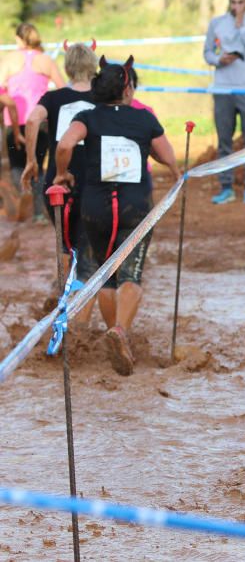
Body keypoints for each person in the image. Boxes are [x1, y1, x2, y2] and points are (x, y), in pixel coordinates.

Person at [54, 57, 181, 376]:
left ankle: (115, 334)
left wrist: (61, 174)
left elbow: (66, 143)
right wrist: (179, 175)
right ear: (127, 88)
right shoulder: (144, 119)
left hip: (95, 209)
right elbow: (167, 157)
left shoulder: (87, 117)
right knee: (131, 275)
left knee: (106, 274)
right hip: (133, 209)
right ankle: (120, 332)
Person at [20, 41, 100, 299]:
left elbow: (32, 119)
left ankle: (62, 301)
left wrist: (32, 160)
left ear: (67, 68)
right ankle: (80, 314)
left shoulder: (54, 98)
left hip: (56, 183)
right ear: (93, 66)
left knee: (66, 247)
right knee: (88, 251)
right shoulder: (102, 98)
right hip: (94, 185)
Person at [203, 0, 245, 205]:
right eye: (233, 2)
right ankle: (226, 186)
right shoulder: (217, 24)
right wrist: (219, 60)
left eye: (240, 2)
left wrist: (242, 27)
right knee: (224, 140)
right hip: (223, 89)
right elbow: (207, 52)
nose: (236, 6)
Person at [1, 23, 66, 220]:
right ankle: (38, 212)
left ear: (20, 39)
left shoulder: (10, 60)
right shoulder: (45, 60)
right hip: (41, 119)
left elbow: (2, 90)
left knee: (16, 165)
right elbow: (63, 88)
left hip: (15, 121)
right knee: (38, 163)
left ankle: (23, 200)